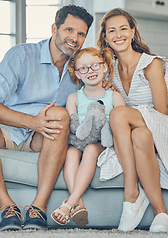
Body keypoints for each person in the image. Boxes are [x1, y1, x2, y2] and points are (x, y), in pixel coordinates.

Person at [0, 5, 95, 231]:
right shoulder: (22, 55)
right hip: (5, 131)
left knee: (59, 114)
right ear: (55, 29)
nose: (74, 38)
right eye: (69, 30)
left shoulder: (80, 68)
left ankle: (38, 207)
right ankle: (7, 207)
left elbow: (97, 89)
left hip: (41, 138)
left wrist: (106, 86)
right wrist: (32, 121)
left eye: (81, 34)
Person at [96, 8, 168, 232]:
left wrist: (123, 113)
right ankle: (160, 211)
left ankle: (131, 191)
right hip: (138, 132)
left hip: (167, 126)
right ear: (105, 37)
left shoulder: (151, 64)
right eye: (111, 30)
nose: (118, 34)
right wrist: (106, 92)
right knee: (140, 135)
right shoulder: (107, 71)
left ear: (133, 32)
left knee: (119, 114)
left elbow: (161, 113)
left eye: (124, 28)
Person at [50, 47, 125, 226]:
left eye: (95, 66)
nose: (90, 71)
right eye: (84, 68)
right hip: (79, 141)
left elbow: (121, 125)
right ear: (77, 74)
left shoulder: (113, 96)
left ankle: (69, 203)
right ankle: (79, 205)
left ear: (105, 67)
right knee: (70, 153)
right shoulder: (73, 98)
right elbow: (72, 125)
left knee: (91, 149)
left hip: (103, 142)